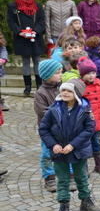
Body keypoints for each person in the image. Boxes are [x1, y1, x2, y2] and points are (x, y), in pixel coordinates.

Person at [39, 80, 100, 211]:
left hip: (78, 151)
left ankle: (86, 200)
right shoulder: (53, 110)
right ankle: (63, 206)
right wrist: (53, 144)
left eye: (69, 91)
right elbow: (43, 129)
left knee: (81, 177)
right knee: (62, 179)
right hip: (59, 152)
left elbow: (89, 129)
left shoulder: (85, 110)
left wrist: (73, 145)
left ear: (76, 94)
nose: (65, 93)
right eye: (63, 90)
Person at [8, 0, 47, 96]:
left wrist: (36, 31)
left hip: (35, 37)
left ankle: (39, 86)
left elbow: (42, 21)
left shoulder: (37, 5)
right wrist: (20, 32)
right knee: (25, 61)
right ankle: (27, 87)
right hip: (22, 38)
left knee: (37, 61)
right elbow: (11, 21)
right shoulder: (13, 6)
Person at [77, 57, 100, 175]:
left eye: (93, 73)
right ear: (82, 74)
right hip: (84, 120)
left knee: (96, 142)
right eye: (88, 73)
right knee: (84, 143)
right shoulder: (79, 85)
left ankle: (99, 164)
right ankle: (83, 168)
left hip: (97, 119)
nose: (91, 76)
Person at [34, 59, 63, 192]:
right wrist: (60, 114)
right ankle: (49, 178)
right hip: (48, 130)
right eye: (57, 73)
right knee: (47, 154)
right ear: (47, 75)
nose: (60, 75)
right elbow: (42, 112)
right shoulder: (40, 93)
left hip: (63, 128)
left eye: (61, 72)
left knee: (66, 150)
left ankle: (70, 174)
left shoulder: (61, 88)